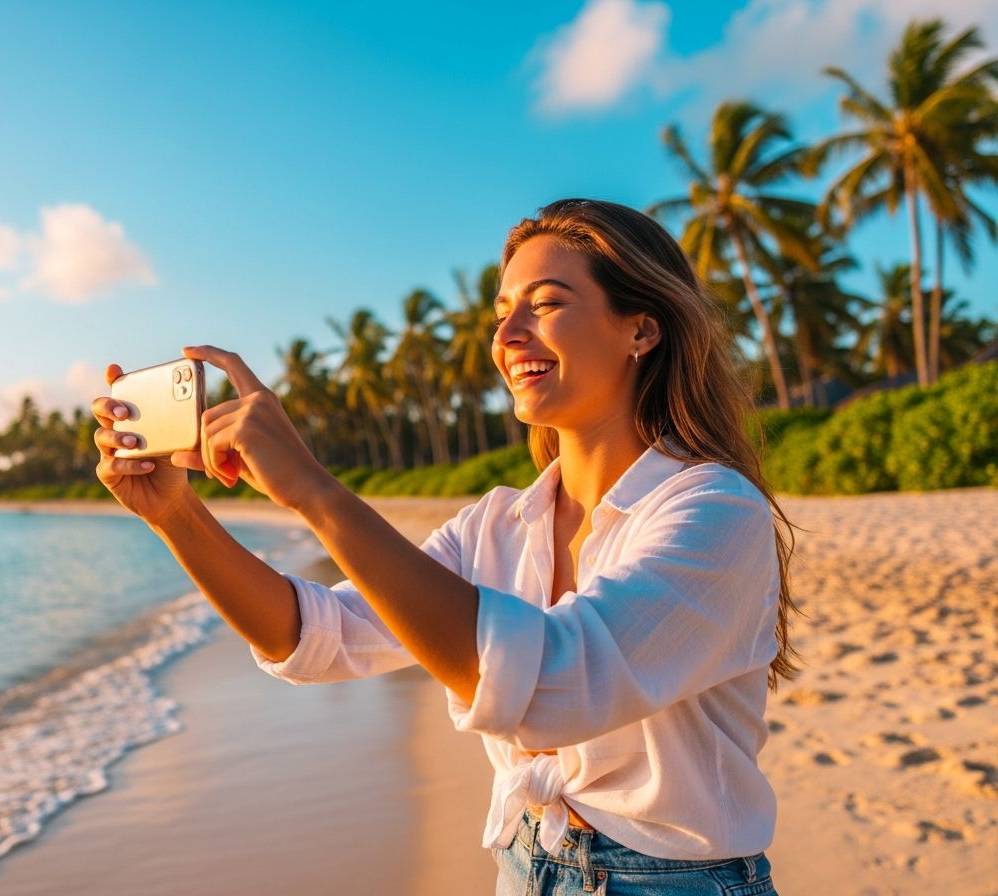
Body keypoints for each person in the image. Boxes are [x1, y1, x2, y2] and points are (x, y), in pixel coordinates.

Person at [91, 198, 799, 896]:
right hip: (527, 864)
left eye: (546, 305)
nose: (509, 335)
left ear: (641, 329)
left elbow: (558, 687)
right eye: (501, 314)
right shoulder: (495, 525)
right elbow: (314, 637)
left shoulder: (715, 510)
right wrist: (178, 516)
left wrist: (314, 490)